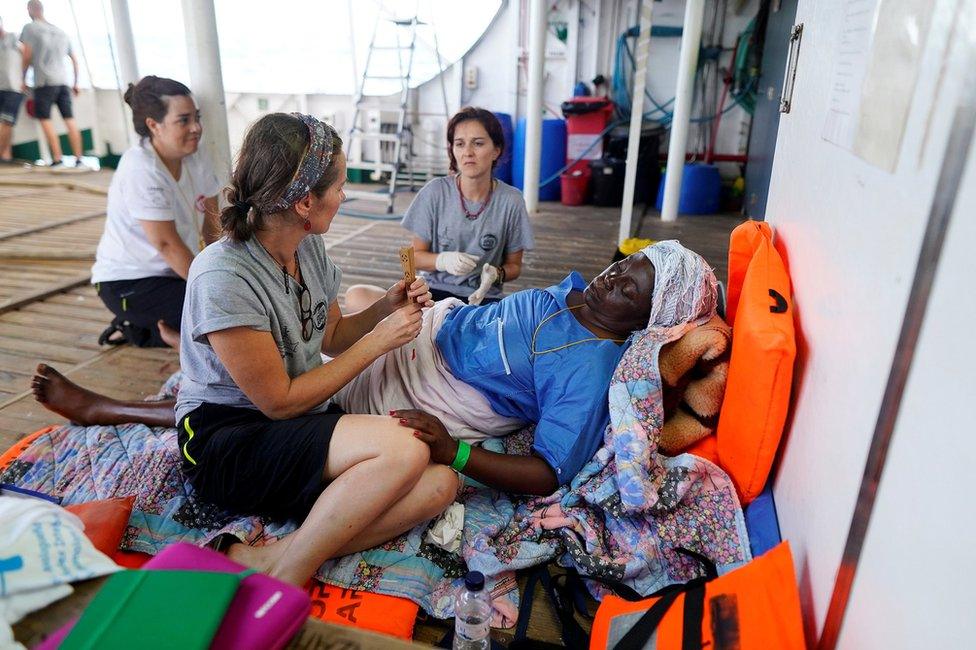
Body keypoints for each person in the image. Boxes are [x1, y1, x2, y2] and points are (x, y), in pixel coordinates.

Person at [35, 242, 698, 500]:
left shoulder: (590, 369)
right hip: (436, 331)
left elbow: (548, 473)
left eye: (628, 288)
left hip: (437, 390)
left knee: (287, 400)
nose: (610, 278)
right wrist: (410, 308)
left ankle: (117, 410)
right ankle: (211, 397)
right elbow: (478, 314)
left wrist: (454, 448)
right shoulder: (576, 296)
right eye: (622, 264)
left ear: (643, 320)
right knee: (346, 313)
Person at [178, 112, 455, 586]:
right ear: (306, 201)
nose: (344, 196)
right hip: (227, 440)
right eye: (341, 186)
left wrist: (387, 308)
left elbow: (330, 337)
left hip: (296, 423)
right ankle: (293, 574)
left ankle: (271, 557)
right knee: (406, 448)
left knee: (439, 483)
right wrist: (377, 343)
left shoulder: (306, 246)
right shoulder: (222, 275)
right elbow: (279, 401)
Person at [345, 106, 534, 310]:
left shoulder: (511, 200)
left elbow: (515, 266)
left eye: (478, 144)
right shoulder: (435, 192)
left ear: (496, 150)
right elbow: (415, 256)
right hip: (432, 297)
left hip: (481, 301)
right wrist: (442, 260)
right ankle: (436, 332)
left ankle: (432, 335)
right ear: (452, 149)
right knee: (357, 295)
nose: (468, 152)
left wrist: (497, 275)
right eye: (460, 144)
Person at [91, 76, 220, 349]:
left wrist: (227, 273)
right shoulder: (141, 169)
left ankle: (160, 328)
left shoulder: (195, 154)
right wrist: (215, 287)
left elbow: (212, 224)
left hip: (177, 272)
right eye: (183, 120)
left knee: (236, 303)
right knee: (219, 317)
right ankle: (141, 329)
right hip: (131, 281)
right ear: (154, 125)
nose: (196, 128)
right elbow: (166, 244)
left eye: (196, 117)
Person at [19, 0, 83, 167]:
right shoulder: (61, 32)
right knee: (69, 119)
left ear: (30, 10)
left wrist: (22, 79)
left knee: (45, 119)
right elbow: (75, 61)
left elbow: (26, 56)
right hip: (63, 82)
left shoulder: (30, 28)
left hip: (44, 82)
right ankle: (78, 159)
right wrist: (76, 83)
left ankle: (57, 159)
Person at [0, 17, 25, 162]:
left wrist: (23, 77)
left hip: (14, 88)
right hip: (1, 88)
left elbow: (26, 53)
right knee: (3, 124)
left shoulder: (13, 37)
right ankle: (6, 156)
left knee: (7, 122)